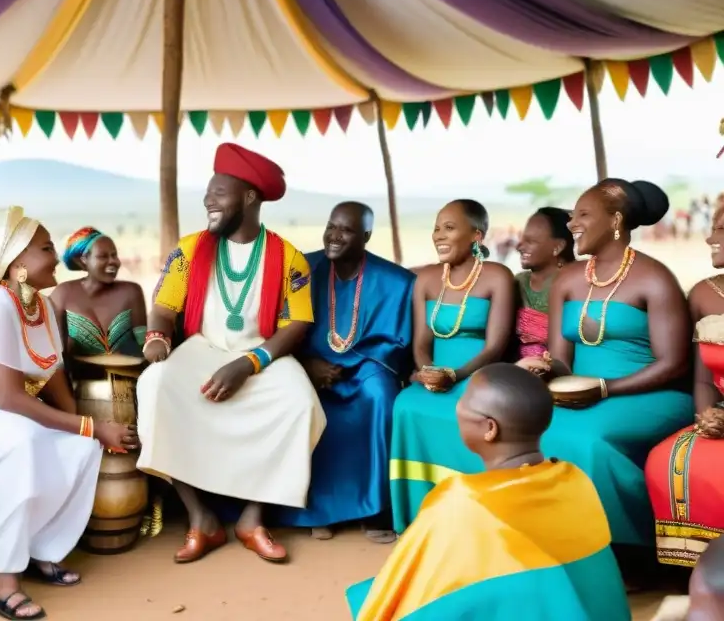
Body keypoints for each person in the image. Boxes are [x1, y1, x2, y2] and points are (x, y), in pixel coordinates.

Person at [0, 206, 138, 620]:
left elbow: (52, 380)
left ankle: (41, 549)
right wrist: (92, 424)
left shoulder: (40, 307)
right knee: (23, 445)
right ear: (17, 265)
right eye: (47, 248)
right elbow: (10, 399)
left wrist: (85, 433)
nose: (55, 257)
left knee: (79, 449)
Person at [136, 142, 324, 564]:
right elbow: (165, 306)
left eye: (219, 193)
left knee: (301, 403)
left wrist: (248, 363)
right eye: (208, 193)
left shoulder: (288, 256)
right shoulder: (189, 249)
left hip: (262, 355)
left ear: (250, 197)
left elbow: (298, 324)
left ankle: (252, 519)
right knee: (155, 386)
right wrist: (158, 339)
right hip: (203, 348)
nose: (208, 200)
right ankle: (200, 518)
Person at [347, 363, 630, 621]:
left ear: (490, 428)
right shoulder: (574, 480)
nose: (457, 407)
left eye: (465, 400)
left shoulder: (460, 503)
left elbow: (405, 591)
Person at [524, 180, 693, 551]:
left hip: (652, 393)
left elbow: (675, 364)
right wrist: (539, 369)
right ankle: (553, 544)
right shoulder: (567, 280)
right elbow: (561, 361)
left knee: (590, 440)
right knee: (526, 429)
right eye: (572, 215)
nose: (571, 224)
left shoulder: (654, 277)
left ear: (616, 220)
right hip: (584, 393)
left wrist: (604, 388)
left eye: (583, 214)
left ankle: (627, 550)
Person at [277, 202, 414, 543]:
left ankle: (373, 510)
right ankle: (317, 509)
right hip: (306, 362)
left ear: (366, 236)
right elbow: (279, 326)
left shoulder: (394, 281)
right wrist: (307, 363)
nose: (334, 236)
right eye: (331, 226)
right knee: (293, 392)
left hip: (367, 367)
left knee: (380, 395)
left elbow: (395, 343)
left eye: (346, 230)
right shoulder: (303, 270)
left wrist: (356, 365)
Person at [388, 199, 515, 532]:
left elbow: (496, 346)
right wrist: (428, 371)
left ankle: (474, 514)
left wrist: (455, 375)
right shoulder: (428, 279)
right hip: (436, 375)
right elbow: (421, 342)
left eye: (449, 227)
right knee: (406, 404)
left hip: (478, 373)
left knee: (473, 408)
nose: (438, 235)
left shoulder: (497, 276)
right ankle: (420, 517)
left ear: (477, 234)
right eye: (436, 227)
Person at [645, 205, 724, 566]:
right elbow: (703, 377)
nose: (711, 238)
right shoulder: (703, 295)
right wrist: (705, 417)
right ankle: (698, 574)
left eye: (721, 230)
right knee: (668, 458)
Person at [50, 226, 146, 364]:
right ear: (83, 260)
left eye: (114, 255)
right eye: (103, 256)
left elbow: (143, 345)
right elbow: (56, 353)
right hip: (79, 381)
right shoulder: (63, 294)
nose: (114, 262)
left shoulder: (131, 292)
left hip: (125, 378)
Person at [515, 207, 574, 359]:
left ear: (558, 247)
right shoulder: (518, 282)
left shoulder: (576, 283)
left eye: (531, 241)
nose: (519, 246)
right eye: (522, 239)